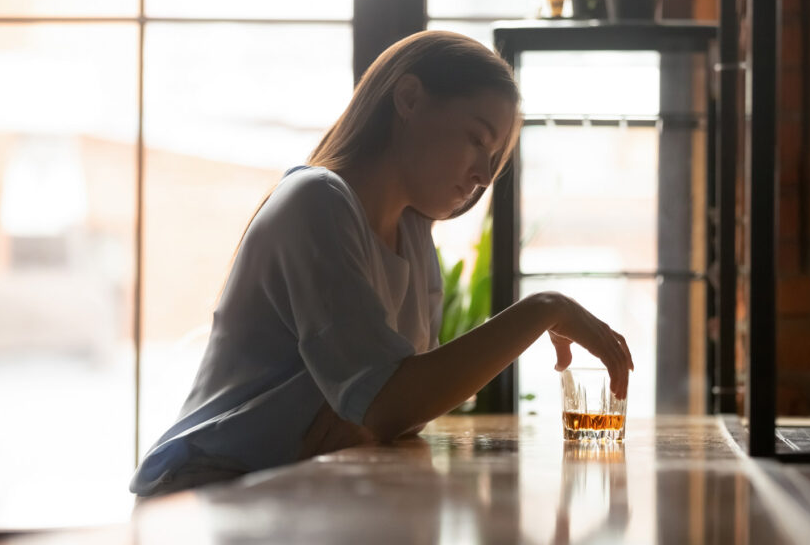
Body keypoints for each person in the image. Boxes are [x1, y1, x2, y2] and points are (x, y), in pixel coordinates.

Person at [129, 30, 634, 499]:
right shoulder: (316, 200)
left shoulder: (414, 236)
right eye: (477, 139)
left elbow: (401, 407)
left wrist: (378, 410)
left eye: (493, 155)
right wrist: (545, 309)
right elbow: (392, 402)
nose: (483, 174)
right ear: (409, 98)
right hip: (209, 491)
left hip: (296, 487)